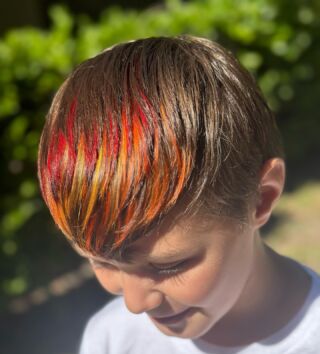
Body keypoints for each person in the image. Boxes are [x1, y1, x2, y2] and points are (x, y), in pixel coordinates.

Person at [37, 35, 320, 354]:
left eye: (169, 265)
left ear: (261, 198)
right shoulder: (112, 339)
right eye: (103, 263)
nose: (135, 302)